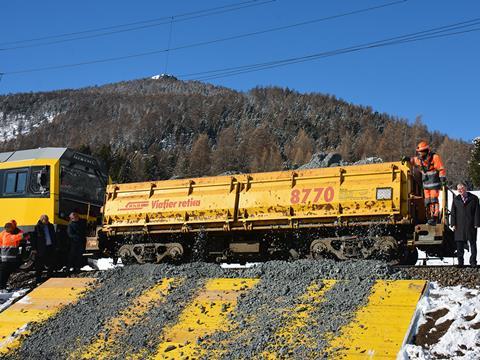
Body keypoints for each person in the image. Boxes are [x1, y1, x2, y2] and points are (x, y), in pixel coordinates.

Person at [402, 141, 447, 225]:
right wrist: (407, 158)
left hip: (434, 184)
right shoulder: (420, 160)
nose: (419, 154)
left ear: (426, 151)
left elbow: (441, 169)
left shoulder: (435, 157)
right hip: (426, 185)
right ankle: (429, 217)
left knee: (433, 200)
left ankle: (434, 217)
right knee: (427, 201)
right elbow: (413, 160)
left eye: (421, 152)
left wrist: (442, 178)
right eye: (419, 152)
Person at [450, 182, 480, 267]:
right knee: (459, 246)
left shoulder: (474, 198)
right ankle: (460, 263)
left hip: (471, 225)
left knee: (473, 244)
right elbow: (453, 212)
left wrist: (477, 223)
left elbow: (477, 212)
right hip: (459, 226)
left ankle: (473, 262)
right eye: (458, 188)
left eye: (462, 188)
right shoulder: (456, 199)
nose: (460, 190)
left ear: (466, 188)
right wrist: (453, 223)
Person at [0, 222, 26, 292]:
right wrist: (23, 234)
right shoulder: (7, 236)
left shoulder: (2, 234)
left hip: (7, 258)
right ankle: (1, 288)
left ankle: (3, 286)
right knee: (4, 274)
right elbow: (16, 237)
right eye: (12, 228)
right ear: (8, 228)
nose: (12, 229)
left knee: (6, 273)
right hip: (6, 258)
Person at [32, 215, 56, 283]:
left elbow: (53, 235)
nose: (47, 221)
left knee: (51, 261)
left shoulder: (51, 226)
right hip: (41, 248)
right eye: (45, 220)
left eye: (47, 219)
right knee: (40, 263)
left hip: (50, 246)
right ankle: (38, 277)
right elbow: (34, 239)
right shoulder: (37, 227)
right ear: (41, 220)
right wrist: (34, 248)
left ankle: (50, 275)